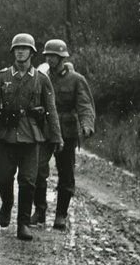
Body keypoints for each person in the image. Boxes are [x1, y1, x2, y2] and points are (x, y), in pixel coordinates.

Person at [0, 33, 61, 241]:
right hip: (6, 136)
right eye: (17, 48)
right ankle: (7, 204)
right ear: (13, 52)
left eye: (25, 48)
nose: (20, 51)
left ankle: (23, 224)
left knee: (28, 181)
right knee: (2, 178)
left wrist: (56, 137)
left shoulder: (41, 80)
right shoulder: (1, 77)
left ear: (32, 53)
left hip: (31, 136)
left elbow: (51, 111)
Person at [35, 39, 96, 229]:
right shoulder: (41, 77)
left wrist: (87, 125)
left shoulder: (76, 79)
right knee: (37, 170)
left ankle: (61, 214)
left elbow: (85, 105)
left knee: (66, 174)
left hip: (67, 131)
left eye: (54, 56)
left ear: (62, 58)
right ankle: (40, 211)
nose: (50, 59)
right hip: (44, 130)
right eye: (48, 56)